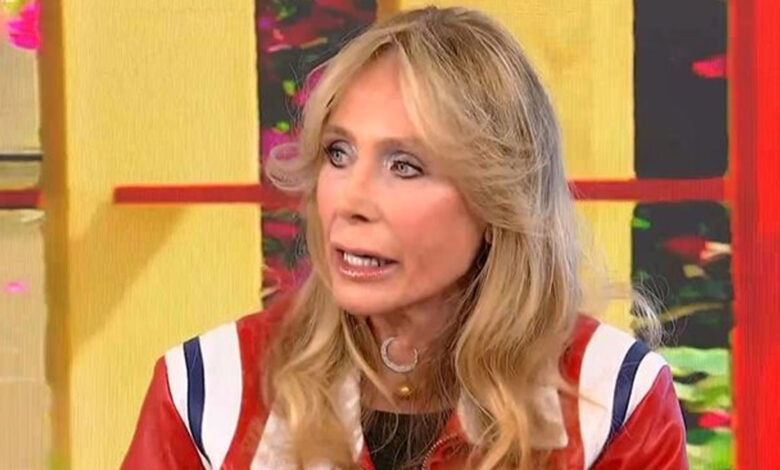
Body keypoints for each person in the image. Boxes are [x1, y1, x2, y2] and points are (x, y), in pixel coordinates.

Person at [122, 6, 688, 470]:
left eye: (405, 166)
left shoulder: (612, 399)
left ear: (499, 203)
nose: (350, 201)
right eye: (338, 153)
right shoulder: (206, 391)